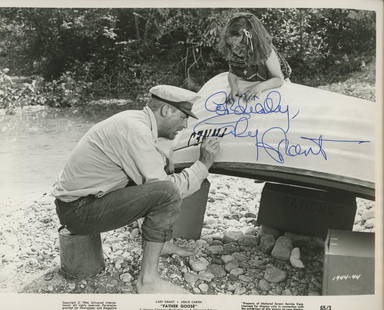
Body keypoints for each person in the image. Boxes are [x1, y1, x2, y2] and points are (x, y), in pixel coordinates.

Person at [52, 85, 220, 294]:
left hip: (80, 203)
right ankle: (147, 281)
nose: (185, 125)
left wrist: (165, 155)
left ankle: (163, 243)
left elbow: (149, 175)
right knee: (166, 193)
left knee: (157, 182)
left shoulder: (135, 120)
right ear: (167, 111)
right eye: (183, 117)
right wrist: (203, 164)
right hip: (78, 212)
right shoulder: (135, 129)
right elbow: (167, 189)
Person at [219, 12, 291, 102]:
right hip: (252, 79)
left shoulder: (266, 51)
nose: (234, 50)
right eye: (231, 45)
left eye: (239, 46)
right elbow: (233, 72)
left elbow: (278, 79)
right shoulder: (234, 51)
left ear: (251, 41)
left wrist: (259, 87)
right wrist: (234, 87)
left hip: (272, 82)